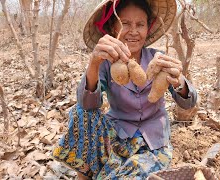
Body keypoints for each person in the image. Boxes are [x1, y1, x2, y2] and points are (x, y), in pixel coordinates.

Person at [52, 0, 197, 179]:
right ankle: (86, 174)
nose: (134, 31)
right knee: (81, 112)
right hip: (117, 135)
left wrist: (179, 80)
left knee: (134, 172)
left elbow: (189, 101)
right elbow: (87, 105)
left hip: (153, 142)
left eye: (140, 25)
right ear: (113, 28)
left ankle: (108, 172)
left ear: (148, 29)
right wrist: (93, 64)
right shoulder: (105, 63)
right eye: (125, 24)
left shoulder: (158, 59)